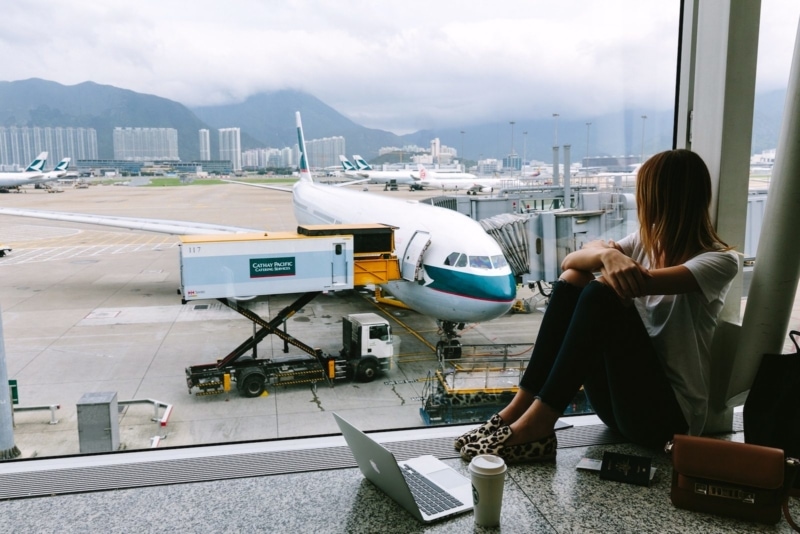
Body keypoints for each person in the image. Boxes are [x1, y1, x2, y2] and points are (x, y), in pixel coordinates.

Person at [456, 149, 739, 463]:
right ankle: (518, 410)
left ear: (657, 199)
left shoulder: (719, 261)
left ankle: (539, 424)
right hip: (616, 407)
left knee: (600, 291)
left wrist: (609, 258)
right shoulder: (645, 243)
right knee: (576, 277)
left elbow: (634, 283)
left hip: (667, 421)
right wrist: (607, 255)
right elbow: (570, 263)